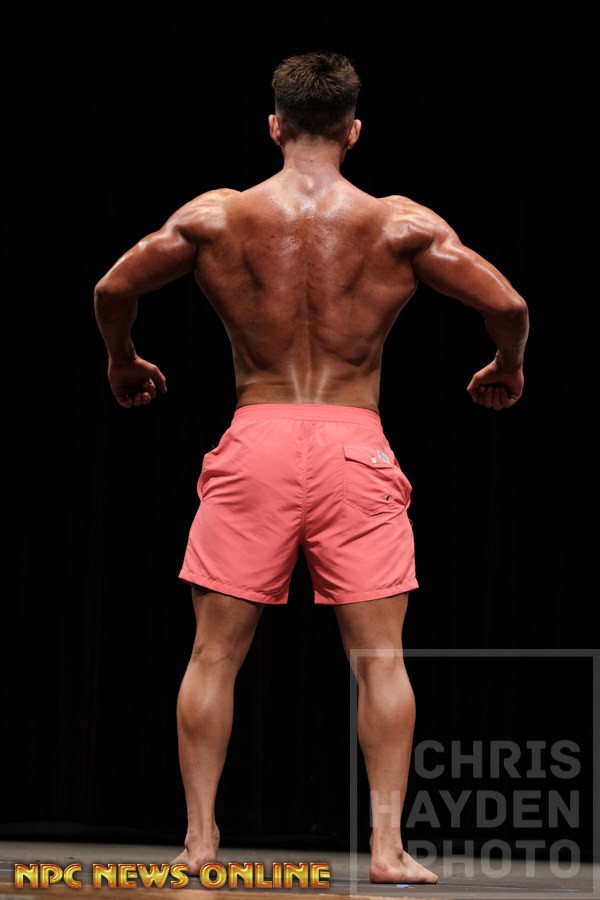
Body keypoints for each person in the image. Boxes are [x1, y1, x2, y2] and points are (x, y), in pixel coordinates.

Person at [94, 50, 528, 885]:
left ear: (274, 126)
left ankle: (199, 844)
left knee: (212, 656)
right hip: (354, 446)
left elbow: (113, 288)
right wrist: (506, 366)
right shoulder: (397, 224)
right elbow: (508, 304)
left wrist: (123, 358)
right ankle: (389, 849)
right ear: (354, 131)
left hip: (255, 438)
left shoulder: (217, 217)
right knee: (380, 661)